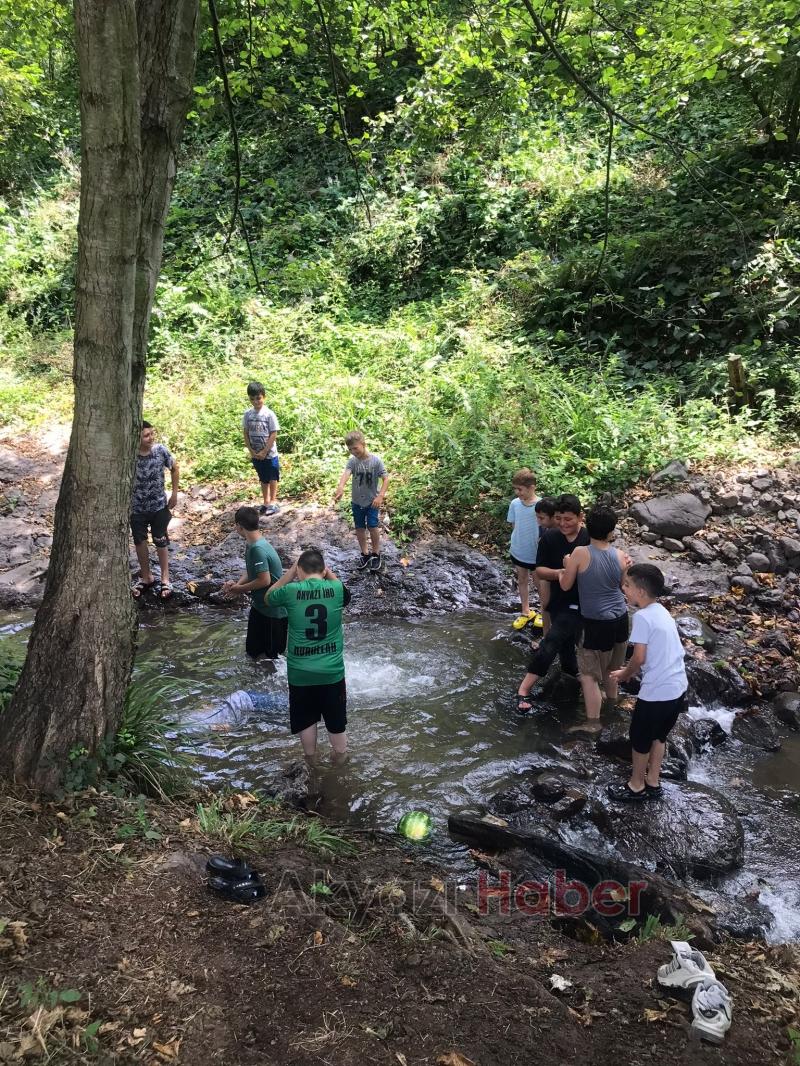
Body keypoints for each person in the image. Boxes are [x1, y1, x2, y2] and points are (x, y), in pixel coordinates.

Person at [607, 563, 688, 801]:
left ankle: (636, 786)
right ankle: (653, 780)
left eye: (627, 585)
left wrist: (624, 673)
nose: (624, 589)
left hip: (657, 691)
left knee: (640, 739)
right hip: (677, 687)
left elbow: (639, 657)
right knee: (659, 736)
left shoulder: (642, 617)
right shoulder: (661, 610)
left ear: (641, 592)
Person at [267, 548, 350, 760]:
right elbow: (346, 593)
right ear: (323, 570)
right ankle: (340, 763)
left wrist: (290, 573)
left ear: (300, 570)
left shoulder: (291, 590)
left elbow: (268, 597)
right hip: (331, 673)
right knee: (337, 725)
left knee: (305, 720)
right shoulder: (337, 589)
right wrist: (327, 572)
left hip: (300, 673)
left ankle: (311, 763)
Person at [516, 494, 589, 712]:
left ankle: (527, 687)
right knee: (561, 643)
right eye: (559, 519)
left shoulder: (588, 537)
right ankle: (561, 679)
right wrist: (560, 572)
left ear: (580, 517)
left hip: (584, 602)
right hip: (559, 600)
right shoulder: (550, 538)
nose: (563, 524)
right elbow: (539, 570)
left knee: (556, 640)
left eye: (568, 519)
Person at [559, 505, 630, 723]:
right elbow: (623, 587)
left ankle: (593, 724)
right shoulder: (620, 556)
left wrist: (565, 566)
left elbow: (565, 585)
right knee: (613, 668)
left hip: (595, 622)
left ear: (587, 528)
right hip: (620, 618)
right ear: (611, 532)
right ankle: (612, 707)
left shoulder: (580, 553)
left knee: (589, 676)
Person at [221, 506, 287, 661]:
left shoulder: (258, 548)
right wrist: (236, 585)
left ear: (239, 526)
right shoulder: (252, 543)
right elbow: (252, 572)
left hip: (273, 612)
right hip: (260, 608)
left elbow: (265, 580)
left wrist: (240, 590)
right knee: (253, 653)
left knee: (273, 660)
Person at [130, 421, 179, 600]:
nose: (151, 438)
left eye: (152, 433)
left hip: (159, 506)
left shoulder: (160, 451)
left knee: (160, 539)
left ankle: (165, 578)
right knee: (139, 541)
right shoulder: (129, 455)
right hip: (136, 508)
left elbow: (175, 468)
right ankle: (146, 576)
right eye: (146, 435)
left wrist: (174, 494)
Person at [332, 430, 389, 571]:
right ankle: (365, 553)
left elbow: (386, 478)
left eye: (355, 448)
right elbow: (346, 473)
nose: (353, 451)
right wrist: (340, 486)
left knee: (372, 526)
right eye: (350, 449)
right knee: (359, 527)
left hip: (372, 501)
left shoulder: (376, 461)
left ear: (363, 444)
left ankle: (376, 554)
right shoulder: (353, 461)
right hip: (357, 501)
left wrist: (380, 495)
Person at [507, 468, 540, 629]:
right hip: (519, 550)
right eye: (515, 489)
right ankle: (526, 611)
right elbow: (514, 526)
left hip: (536, 553)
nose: (517, 492)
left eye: (520, 489)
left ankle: (543, 612)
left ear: (531, 487)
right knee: (522, 580)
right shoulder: (514, 504)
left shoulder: (540, 505)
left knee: (540, 583)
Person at [242, 381, 280, 515]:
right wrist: (252, 451)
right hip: (256, 454)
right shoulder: (247, 415)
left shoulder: (269, 414)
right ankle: (266, 501)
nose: (256, 401)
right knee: (263, 478)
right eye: (252, 399)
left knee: (272, 477)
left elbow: (273, 433)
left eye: (258, 398)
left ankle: (273, 502)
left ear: (263, 397)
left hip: (269, 454)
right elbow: (246, 433)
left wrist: (265, 451)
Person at [534, 497, 557, 633]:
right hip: (545, 574)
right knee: (545, 605)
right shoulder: (545, 530)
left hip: (557, 574)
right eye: (537, 517)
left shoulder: (563, 532)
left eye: (541, 518)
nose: (538, 521)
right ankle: (546, 637)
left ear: (554, 517)